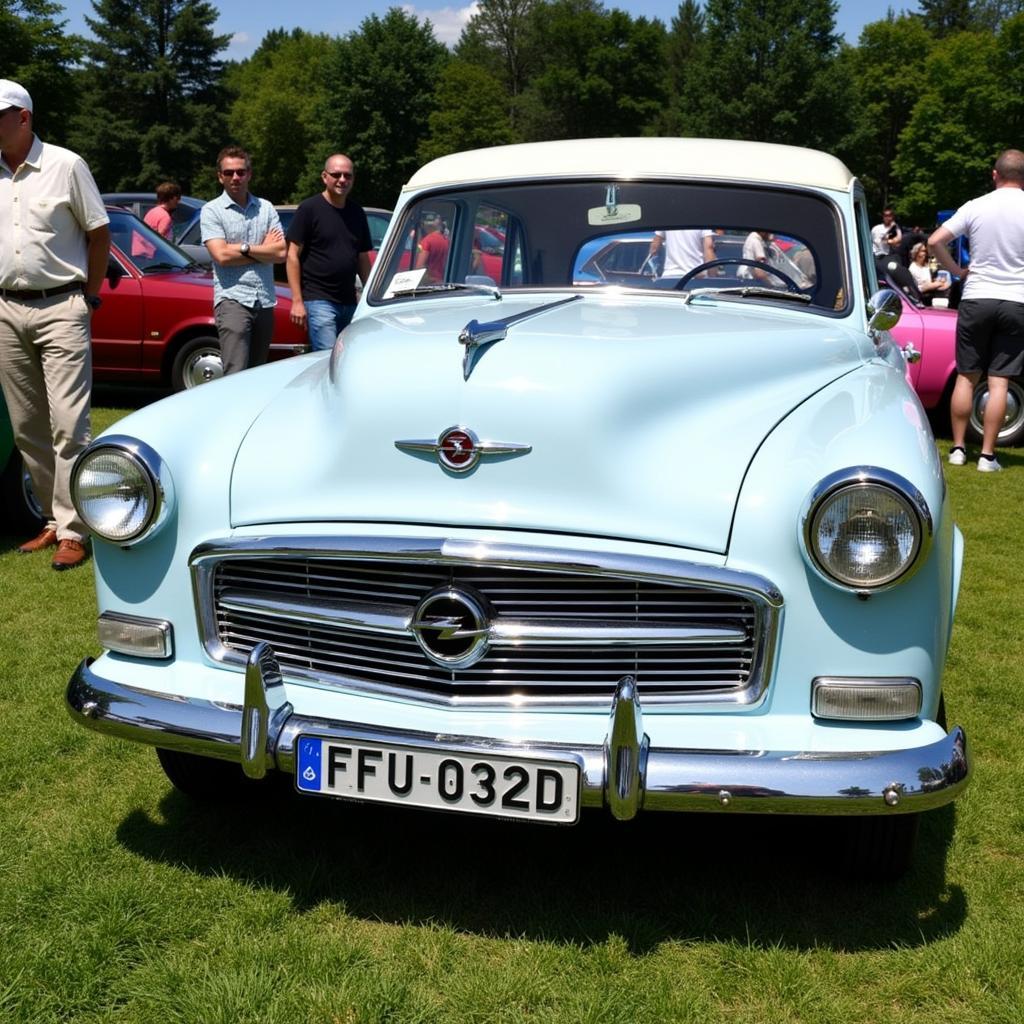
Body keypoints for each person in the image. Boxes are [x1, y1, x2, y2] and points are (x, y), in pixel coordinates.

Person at [0, 79, 110, 571]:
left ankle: (74, 530)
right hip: (7, 309)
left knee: (70, 425)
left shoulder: (66, 164)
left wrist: (88, 296)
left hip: (62, 305)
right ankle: (52, 518)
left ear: (23, 118)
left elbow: (99, 231)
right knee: (27, 428)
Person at [930, 149, 1024, 472]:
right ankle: (987, 456)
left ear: (995, 174)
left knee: (966, 377)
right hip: (1016, 300)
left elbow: (934, 241)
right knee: (1000, 383)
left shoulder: (976, 206)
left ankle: (957, 449)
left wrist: (956, 270)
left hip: (977, 296)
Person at [200, 146, 285, 376]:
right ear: (220, 176)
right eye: (229, 173)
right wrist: (262, 249)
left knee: (257, 374)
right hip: (232, 299)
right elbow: (222, 256)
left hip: (265, 300)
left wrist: (243, 248)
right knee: (236, 373)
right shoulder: (212, 211)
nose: (235, 177)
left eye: (240, 171)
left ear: (249, 174)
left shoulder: (265, 208)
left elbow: (280, 253)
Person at [285, 154, 372, 351]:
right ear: (325, 177)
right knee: (327, 358)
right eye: (336, 174)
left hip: (350, 302)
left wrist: (370, 295)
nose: (342, 180)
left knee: (346, 359)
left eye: (347, 175)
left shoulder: (357, 212)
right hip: (319, 301)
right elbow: (291, 256)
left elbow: (362, 258)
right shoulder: (309, 209)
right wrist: (297, 301)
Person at [647, 229, 716, 282]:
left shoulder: (668, 217)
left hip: (669, 276)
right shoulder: (701, 220)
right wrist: (712, 278)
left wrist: (653, 268)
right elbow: (708, 248)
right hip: (695, 277)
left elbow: (654, 247)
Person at [415, 212, 449, 283]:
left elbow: (419, 267)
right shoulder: (446, 241)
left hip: (430, 283)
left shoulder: (425, 242)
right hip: (442, 282)